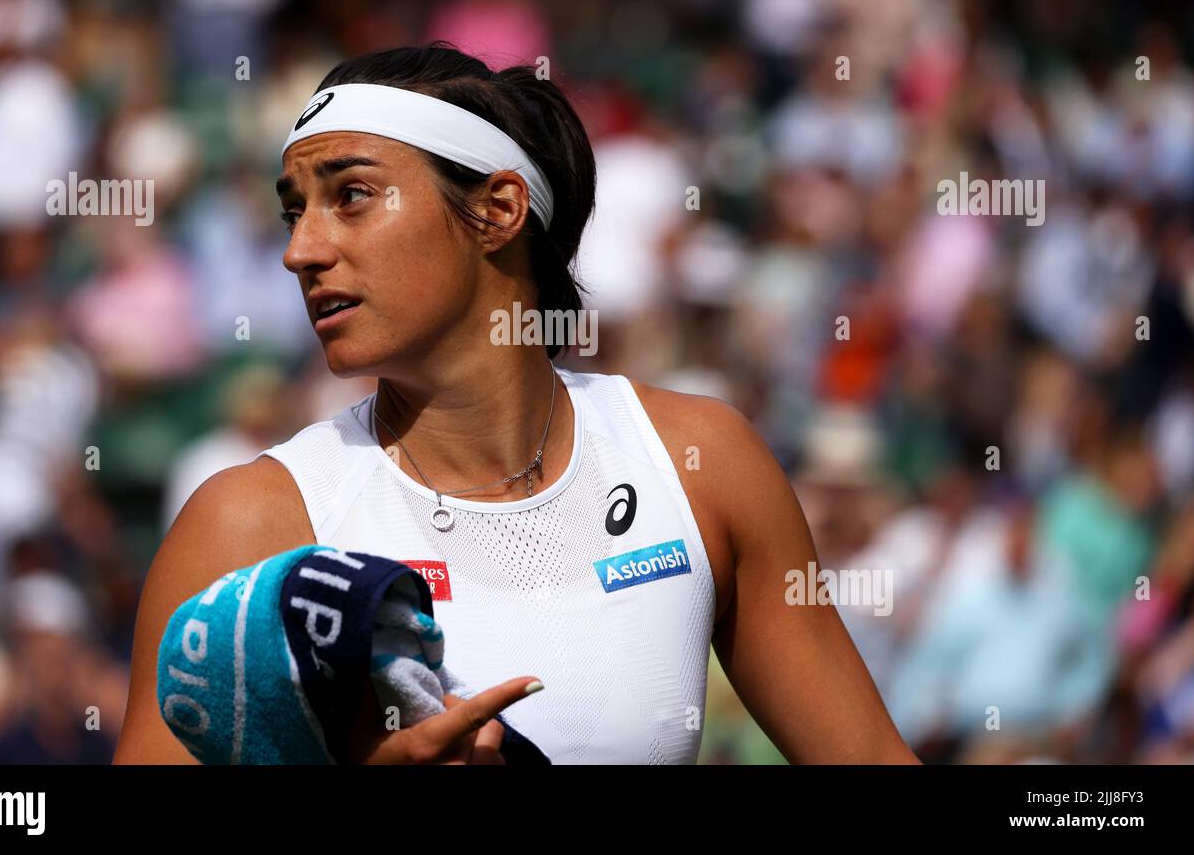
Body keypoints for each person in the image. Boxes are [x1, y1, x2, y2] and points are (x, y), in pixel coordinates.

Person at [114, 42, 918, 764]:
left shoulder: (703, 464)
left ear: (498, 211)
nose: (302, 250)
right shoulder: (246, 522)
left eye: (351, 195)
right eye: (295, 211)